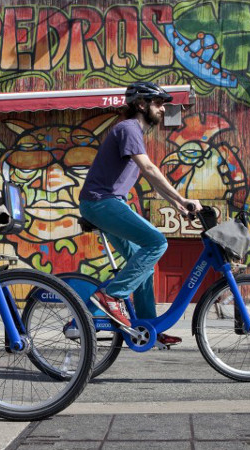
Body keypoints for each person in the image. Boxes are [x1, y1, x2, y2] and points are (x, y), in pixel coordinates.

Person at [78, 81, 202, 346]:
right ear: (141, 104)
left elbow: (150, 174)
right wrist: (180, 198)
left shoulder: (133, 133)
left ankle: (148, 328)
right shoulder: (128, 128)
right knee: (157, 242)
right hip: (102, 203)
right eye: (158, 103)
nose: (162, 109)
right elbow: (148, 169)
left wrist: (178, 204)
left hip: (109, 204)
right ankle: (112, 295)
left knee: (142, 266)